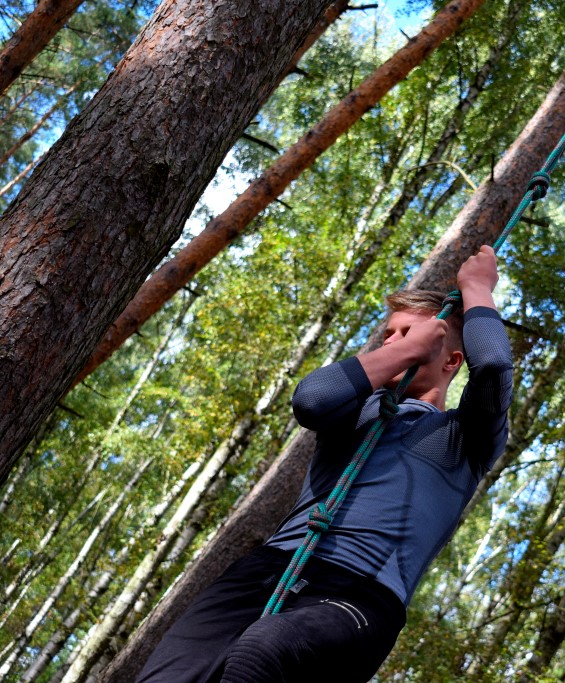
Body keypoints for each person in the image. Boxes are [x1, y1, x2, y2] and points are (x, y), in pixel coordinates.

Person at [137, 245, 513, 682]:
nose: (393, 342)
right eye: (389, 336)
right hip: (265, 570)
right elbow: (311, 400)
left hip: (359, 598)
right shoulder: (356, 413)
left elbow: (492, 366)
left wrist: (477, 287)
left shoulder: (464, 438)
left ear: (451, 360)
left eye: (408, 333)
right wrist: (409, 350)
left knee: (265, 648)